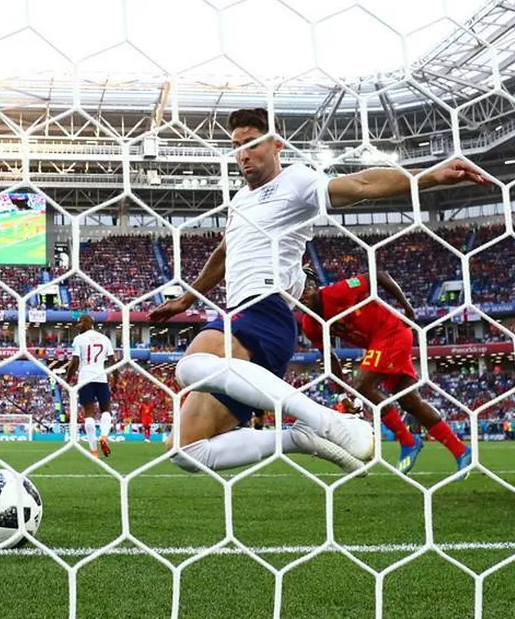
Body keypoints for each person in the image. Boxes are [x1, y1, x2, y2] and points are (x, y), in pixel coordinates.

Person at [149, 107, 485, 476]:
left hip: (264, 309)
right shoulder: (241, 201)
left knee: (190, 367)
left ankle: (324, 419)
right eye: (237, 146)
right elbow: (224, 252)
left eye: (252, 144)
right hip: (245, 321)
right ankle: (301, 437)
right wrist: (187, 298)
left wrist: (430, 176)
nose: (243, 154)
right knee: (185, 450)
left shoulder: (296, 181)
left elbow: (360, 185)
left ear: (276, 145)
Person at [299, 269, 471, 475]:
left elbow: (379, 275)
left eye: (304, 291)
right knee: (410, 403)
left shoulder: (338, 292)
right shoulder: (310, 324)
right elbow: (329, 357)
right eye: (297, 294)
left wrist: (407, 308)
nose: (301, 298)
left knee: (362, 386)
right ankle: (461, 452)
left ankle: (408, 441)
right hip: (379, 344)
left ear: (314, 287)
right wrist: (341, 394)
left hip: (392, 332)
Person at [65, 314, 116, 458]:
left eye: (79, 323)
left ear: (87, 323)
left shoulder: (79, 339)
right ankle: (104, 436)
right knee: (106, 410)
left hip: (85, 378)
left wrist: (67, 379)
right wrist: (116, 380)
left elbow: (75, 362)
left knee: (89, 413)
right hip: (101, 377)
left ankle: (94, 451)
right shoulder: (105, 339)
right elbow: (113, 361)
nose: (77, 326)